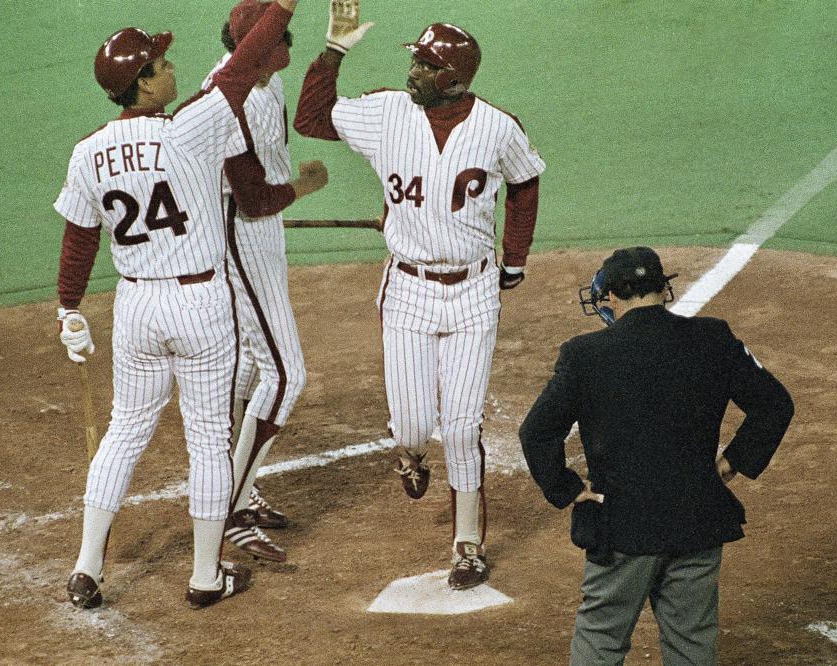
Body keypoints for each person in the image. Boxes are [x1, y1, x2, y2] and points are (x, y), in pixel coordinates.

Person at [54, 0, 301, 610]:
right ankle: (203, 576)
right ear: (141, 82)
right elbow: (245, 64)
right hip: (199, 306)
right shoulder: (193, 124)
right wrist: (285, 6)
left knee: (124, 431)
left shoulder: (89, 151)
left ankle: (87, 567)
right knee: (208, 438)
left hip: (136, 308)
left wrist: (68, 309)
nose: (172, 67)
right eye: (160, 63)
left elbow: (80, 238)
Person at [294, 0, 546, 589]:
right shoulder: (387, 113)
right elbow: (309, 117)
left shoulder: (496, 127)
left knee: (461, 426)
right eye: (415, 61)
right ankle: (409, 453)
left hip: (474, 290)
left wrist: (515, 260)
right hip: (407, 288)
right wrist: (334, 49)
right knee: (411, 425)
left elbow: (526, 183)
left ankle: (466, 546)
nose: (413, 73)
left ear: (453, 79)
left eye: (425, 66)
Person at [519, 247, 794, 665]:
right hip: (698, 516)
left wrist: (567, 489)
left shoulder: (585, 354)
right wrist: (731, 463)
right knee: (692, 643)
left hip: (622, 525)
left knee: (601, 638)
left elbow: (537, 431)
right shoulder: (714, 338)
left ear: (611, 297)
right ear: (663, 290)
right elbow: (775, 405)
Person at [201, 0, 328, 563]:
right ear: (253, 46)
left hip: (258, 231)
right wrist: (302, 188)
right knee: (285, 373)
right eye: (279, 38)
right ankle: (223, 505)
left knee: (252, 365)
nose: (288, 45)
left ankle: (238, 490)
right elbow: (251, 202)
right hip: (240, 233)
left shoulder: (265, 84)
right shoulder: (233, 100)